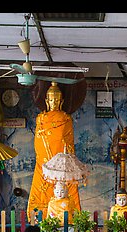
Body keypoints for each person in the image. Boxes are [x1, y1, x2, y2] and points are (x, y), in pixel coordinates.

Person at [27, 82, 81, 218]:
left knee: (65, 188)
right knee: (42, 190)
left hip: (62, 162)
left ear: (61, 101)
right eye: (51, 100)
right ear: (46, 101)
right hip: (44, 161)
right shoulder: (41, 119)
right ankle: (41, 218)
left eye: (57, 100)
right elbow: (38, 141)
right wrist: (45, 160)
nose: (54, 102)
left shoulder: (66, 119)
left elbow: (69, 143)